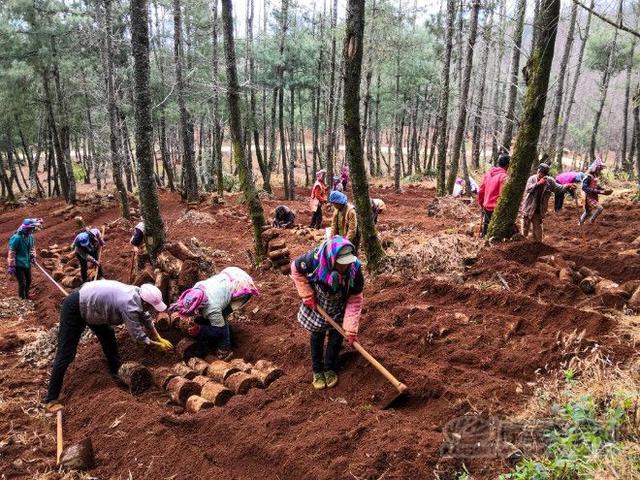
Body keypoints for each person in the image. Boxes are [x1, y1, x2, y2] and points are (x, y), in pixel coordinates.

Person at [44, 281, 172, 411]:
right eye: (151, 306)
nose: (152, 309)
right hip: (76, 307)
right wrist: (156, 345)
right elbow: (138, 336)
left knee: (108, 335)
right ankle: (51, 399)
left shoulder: (138, 293)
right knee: (66, 354)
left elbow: (145, 316)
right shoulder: (128, 304)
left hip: (93, 307)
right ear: (145, 302)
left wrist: (158, 337)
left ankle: (116, 370)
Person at [291, 236, 364, 390]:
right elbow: (295, 269)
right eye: (341, 264)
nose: (346, 267)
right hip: (319, 304)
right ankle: (317, 370)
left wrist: (350, 329)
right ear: (332, 259)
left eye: (348, 262)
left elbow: (355, 299)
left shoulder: (355, 271)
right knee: (317, 336)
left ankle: (329, 368)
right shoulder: (313, 260)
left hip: (339, 306)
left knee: (337, 337)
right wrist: (307, 294)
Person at [170, 267, 258, 360]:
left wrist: (200, 330)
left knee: (222, 317)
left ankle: (225, 349)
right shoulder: (197, 287)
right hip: (230, 274)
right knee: (213, 317)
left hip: (242, 285)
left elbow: (219, 330)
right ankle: (212, 322)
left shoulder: (212, 309)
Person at [521, 163, 575, 242]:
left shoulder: (550, 181)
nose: (542, 175)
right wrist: (538, 184)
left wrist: (568, 185)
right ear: (538, 171)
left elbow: (559, 188)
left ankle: (538, 249)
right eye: (541, 173)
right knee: (524, 232)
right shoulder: (532, 179)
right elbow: (528, 189)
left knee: (538, 235)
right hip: (528, 209)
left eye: (544, 174)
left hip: (538, 211)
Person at [7, 218, 42, 300]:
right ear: (26, 229)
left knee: (29, 281)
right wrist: (11, 265)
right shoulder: (16, 238)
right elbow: (12, 252)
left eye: (33, 229)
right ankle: (22, 299)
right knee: (22, 283)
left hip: (27, 263)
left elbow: (32, 247)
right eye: (31, 229)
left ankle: (26, 295)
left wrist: (33, 255)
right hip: (18, 264)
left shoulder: (30, 237)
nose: (32, 230)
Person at [477, 154, 510, 237]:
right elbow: (502, 196)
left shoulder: (488, 174)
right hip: (496, 209)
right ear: (508, 165)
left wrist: (482, 204)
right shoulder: (504, 177)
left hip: (486, 207)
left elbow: (481, 191)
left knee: (486, 230)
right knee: (495, 234)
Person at [580, 159, 611, 225]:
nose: (600, 170)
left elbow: (595, 185)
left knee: (587, 212)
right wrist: (596, 191)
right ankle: (591, 220)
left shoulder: (595, 176)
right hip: (587, 196)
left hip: (593, 195)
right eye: (599, 169)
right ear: (596, 168)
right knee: (600, 208)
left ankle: (580, 224)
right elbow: (584, 187)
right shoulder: (588, 176)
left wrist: (602, 189)